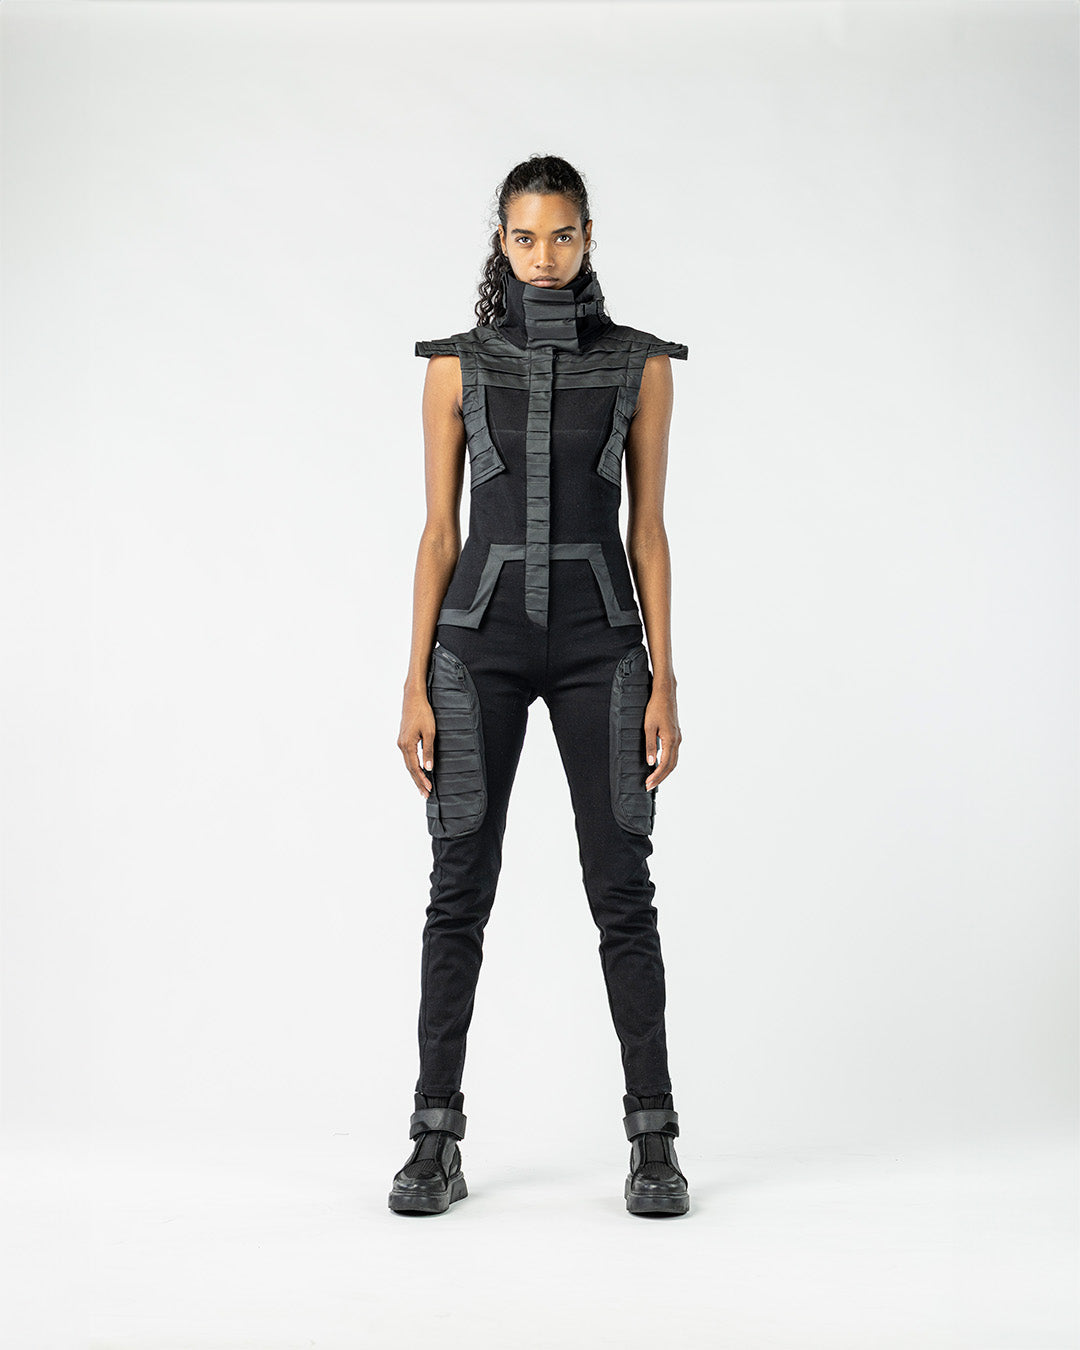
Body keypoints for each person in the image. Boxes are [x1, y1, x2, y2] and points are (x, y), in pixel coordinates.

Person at [389, 155, 689, 1218]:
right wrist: (413, 682)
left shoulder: (641, 366)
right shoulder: (455, 367)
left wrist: (663, 678)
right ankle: (434, 1137)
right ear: (502, 243)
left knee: (622, 891)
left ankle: (654, 1140)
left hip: (604, 647)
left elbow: (648, 533)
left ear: (588, 236)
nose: (545, 256)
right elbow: (439, 534)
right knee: (458, 889)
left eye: (562, 235)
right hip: (477, 649)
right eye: (525, 237)